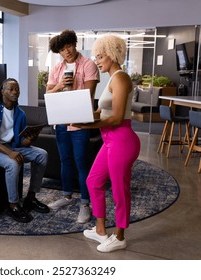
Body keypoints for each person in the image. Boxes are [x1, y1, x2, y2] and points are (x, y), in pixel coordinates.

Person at [72, 34, 141, 252]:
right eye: (95, 56)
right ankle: (100, 230)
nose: (97, 61)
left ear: (112, 54)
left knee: (120, 190)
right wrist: (76, 115)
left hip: (122, 140)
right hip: (109, 140)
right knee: (93, 181)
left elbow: (118, 117)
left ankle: (120, 236)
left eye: (100, 56)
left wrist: (86, 125)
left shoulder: (121, 78)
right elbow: (102, 111)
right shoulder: (111, 79)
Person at [46, 29, 100, 223]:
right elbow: (49, 95)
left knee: (81, 162)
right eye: (62, 49)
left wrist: (74, 84)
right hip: (61, 122)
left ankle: (85, 203)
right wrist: (59, 86)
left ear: (75, 44)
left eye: (68, 46)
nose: (66, 51)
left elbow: (87, 96)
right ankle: (66, 196)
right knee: (65, 160)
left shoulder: (89, 65)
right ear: (58, 52)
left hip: (80, 124)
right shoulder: (56, 69)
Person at [0, 78, 50, 223]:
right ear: (2, 91)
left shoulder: (20, 113)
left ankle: (31, 198)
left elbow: (19, 141)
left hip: (13, 146)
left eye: (17, 89)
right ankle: (13, 204)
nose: (15, 92)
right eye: (10, 89)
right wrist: (9, 152)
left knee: (42, 154)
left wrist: (29, 140)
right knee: (13, 163)